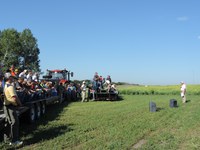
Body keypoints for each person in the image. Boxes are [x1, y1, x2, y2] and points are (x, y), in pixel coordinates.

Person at [3, 72, 23, 146]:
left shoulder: (5, 85)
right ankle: (14, 141)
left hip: (6, 106)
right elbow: (14, 98)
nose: (13, 78)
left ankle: (7, 140)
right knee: (15, 123)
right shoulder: (10, 86)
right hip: (11, 106)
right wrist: (20, 104)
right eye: (12, 77)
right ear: (9, 78)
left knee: (8, 123)